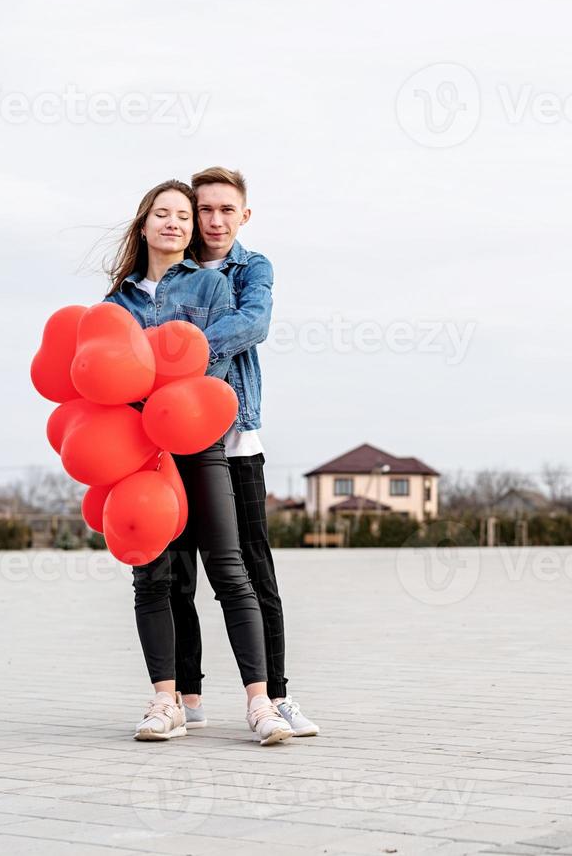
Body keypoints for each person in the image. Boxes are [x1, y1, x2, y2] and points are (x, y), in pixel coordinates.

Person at [103, 178, 292, 745]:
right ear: (143, 225)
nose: (178, 223)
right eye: (164, 214)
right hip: (140, 452)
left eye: (183, 215)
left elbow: (214, 365)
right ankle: (170, 702)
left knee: (232, 569)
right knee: (155, 576)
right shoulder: (118, 303)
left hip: (203, 439)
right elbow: (107, 378)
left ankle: (264, 703)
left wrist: (163, 360)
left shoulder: (215, 283)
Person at [169, 165, 319, 737]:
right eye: (204, 209)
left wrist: (178, 352)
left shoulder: (251, 267)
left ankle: (277, 696)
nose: (213, 220)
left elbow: (253, 324)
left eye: (226, 210)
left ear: (244, 215)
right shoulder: (168, 273)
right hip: (174, 438)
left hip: (235, 437)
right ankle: (186, 695)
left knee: (253, 569)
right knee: (177, 570)